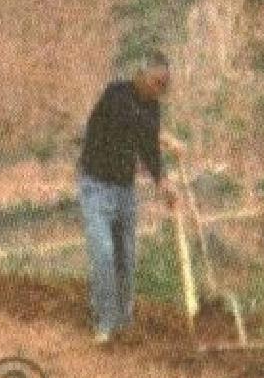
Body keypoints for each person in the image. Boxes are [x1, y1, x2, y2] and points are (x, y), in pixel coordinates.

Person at [77, 50, 184, 344]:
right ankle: (105, 324)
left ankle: (123, 323)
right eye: (157, 82)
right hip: (96, 187)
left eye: (165, 85)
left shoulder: (152, 107)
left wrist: (163, 181)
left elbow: (148, 149)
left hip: (124, 189)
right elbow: (134, 125)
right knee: (103, 253)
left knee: (126, 257)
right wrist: (164, 137)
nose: (161, 90)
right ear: (141, 76)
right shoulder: (117, 96)